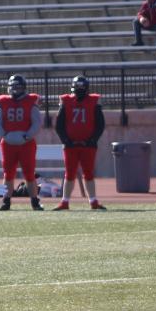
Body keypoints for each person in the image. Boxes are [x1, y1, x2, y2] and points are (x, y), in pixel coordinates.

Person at [54, 76, 106, 211]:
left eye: (82, 88)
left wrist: (92, 139)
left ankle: (93, 201)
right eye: (78, 87)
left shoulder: (93, 101)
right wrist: (66, 140)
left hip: (88, 145)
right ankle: (65, 202)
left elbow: (100, 124)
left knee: (88, 173)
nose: (80, 90)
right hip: (70, 145)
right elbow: (59, 125)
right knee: (69, 173)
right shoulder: (66, 101)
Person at [0, 75, 43, 211]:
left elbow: (37, 122)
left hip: (26, 143)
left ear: (24, 88)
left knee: (29, 173)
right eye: (13, 86)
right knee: (8, 174)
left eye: (18, 86)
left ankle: (34, 201)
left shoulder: (30, 101)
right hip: (8, 143)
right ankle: (6, 201)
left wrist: (27, 135)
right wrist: (4, 134)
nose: (16, 89)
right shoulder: (2, 102)